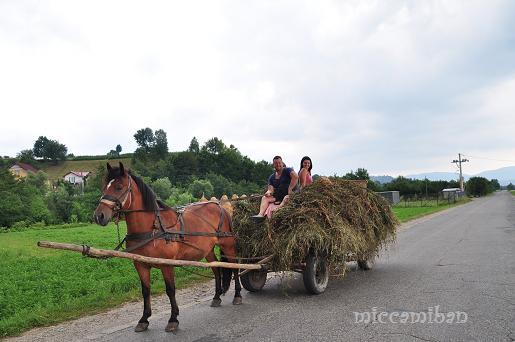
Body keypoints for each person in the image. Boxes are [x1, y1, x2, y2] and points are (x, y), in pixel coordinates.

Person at [252, 156, 299, 221]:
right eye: (276, 163)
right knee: (264, 198)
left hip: (291, 194)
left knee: (286, 198)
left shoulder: (287, 170)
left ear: (282, 163)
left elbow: (295, 177)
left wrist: (290, 188)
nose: (278, 165)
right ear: (273, 165)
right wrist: (268, 193)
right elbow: (270, 189)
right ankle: (260, 215)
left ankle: (276, 211)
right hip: (278, 196)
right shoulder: (272, 177)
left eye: (279, 163)